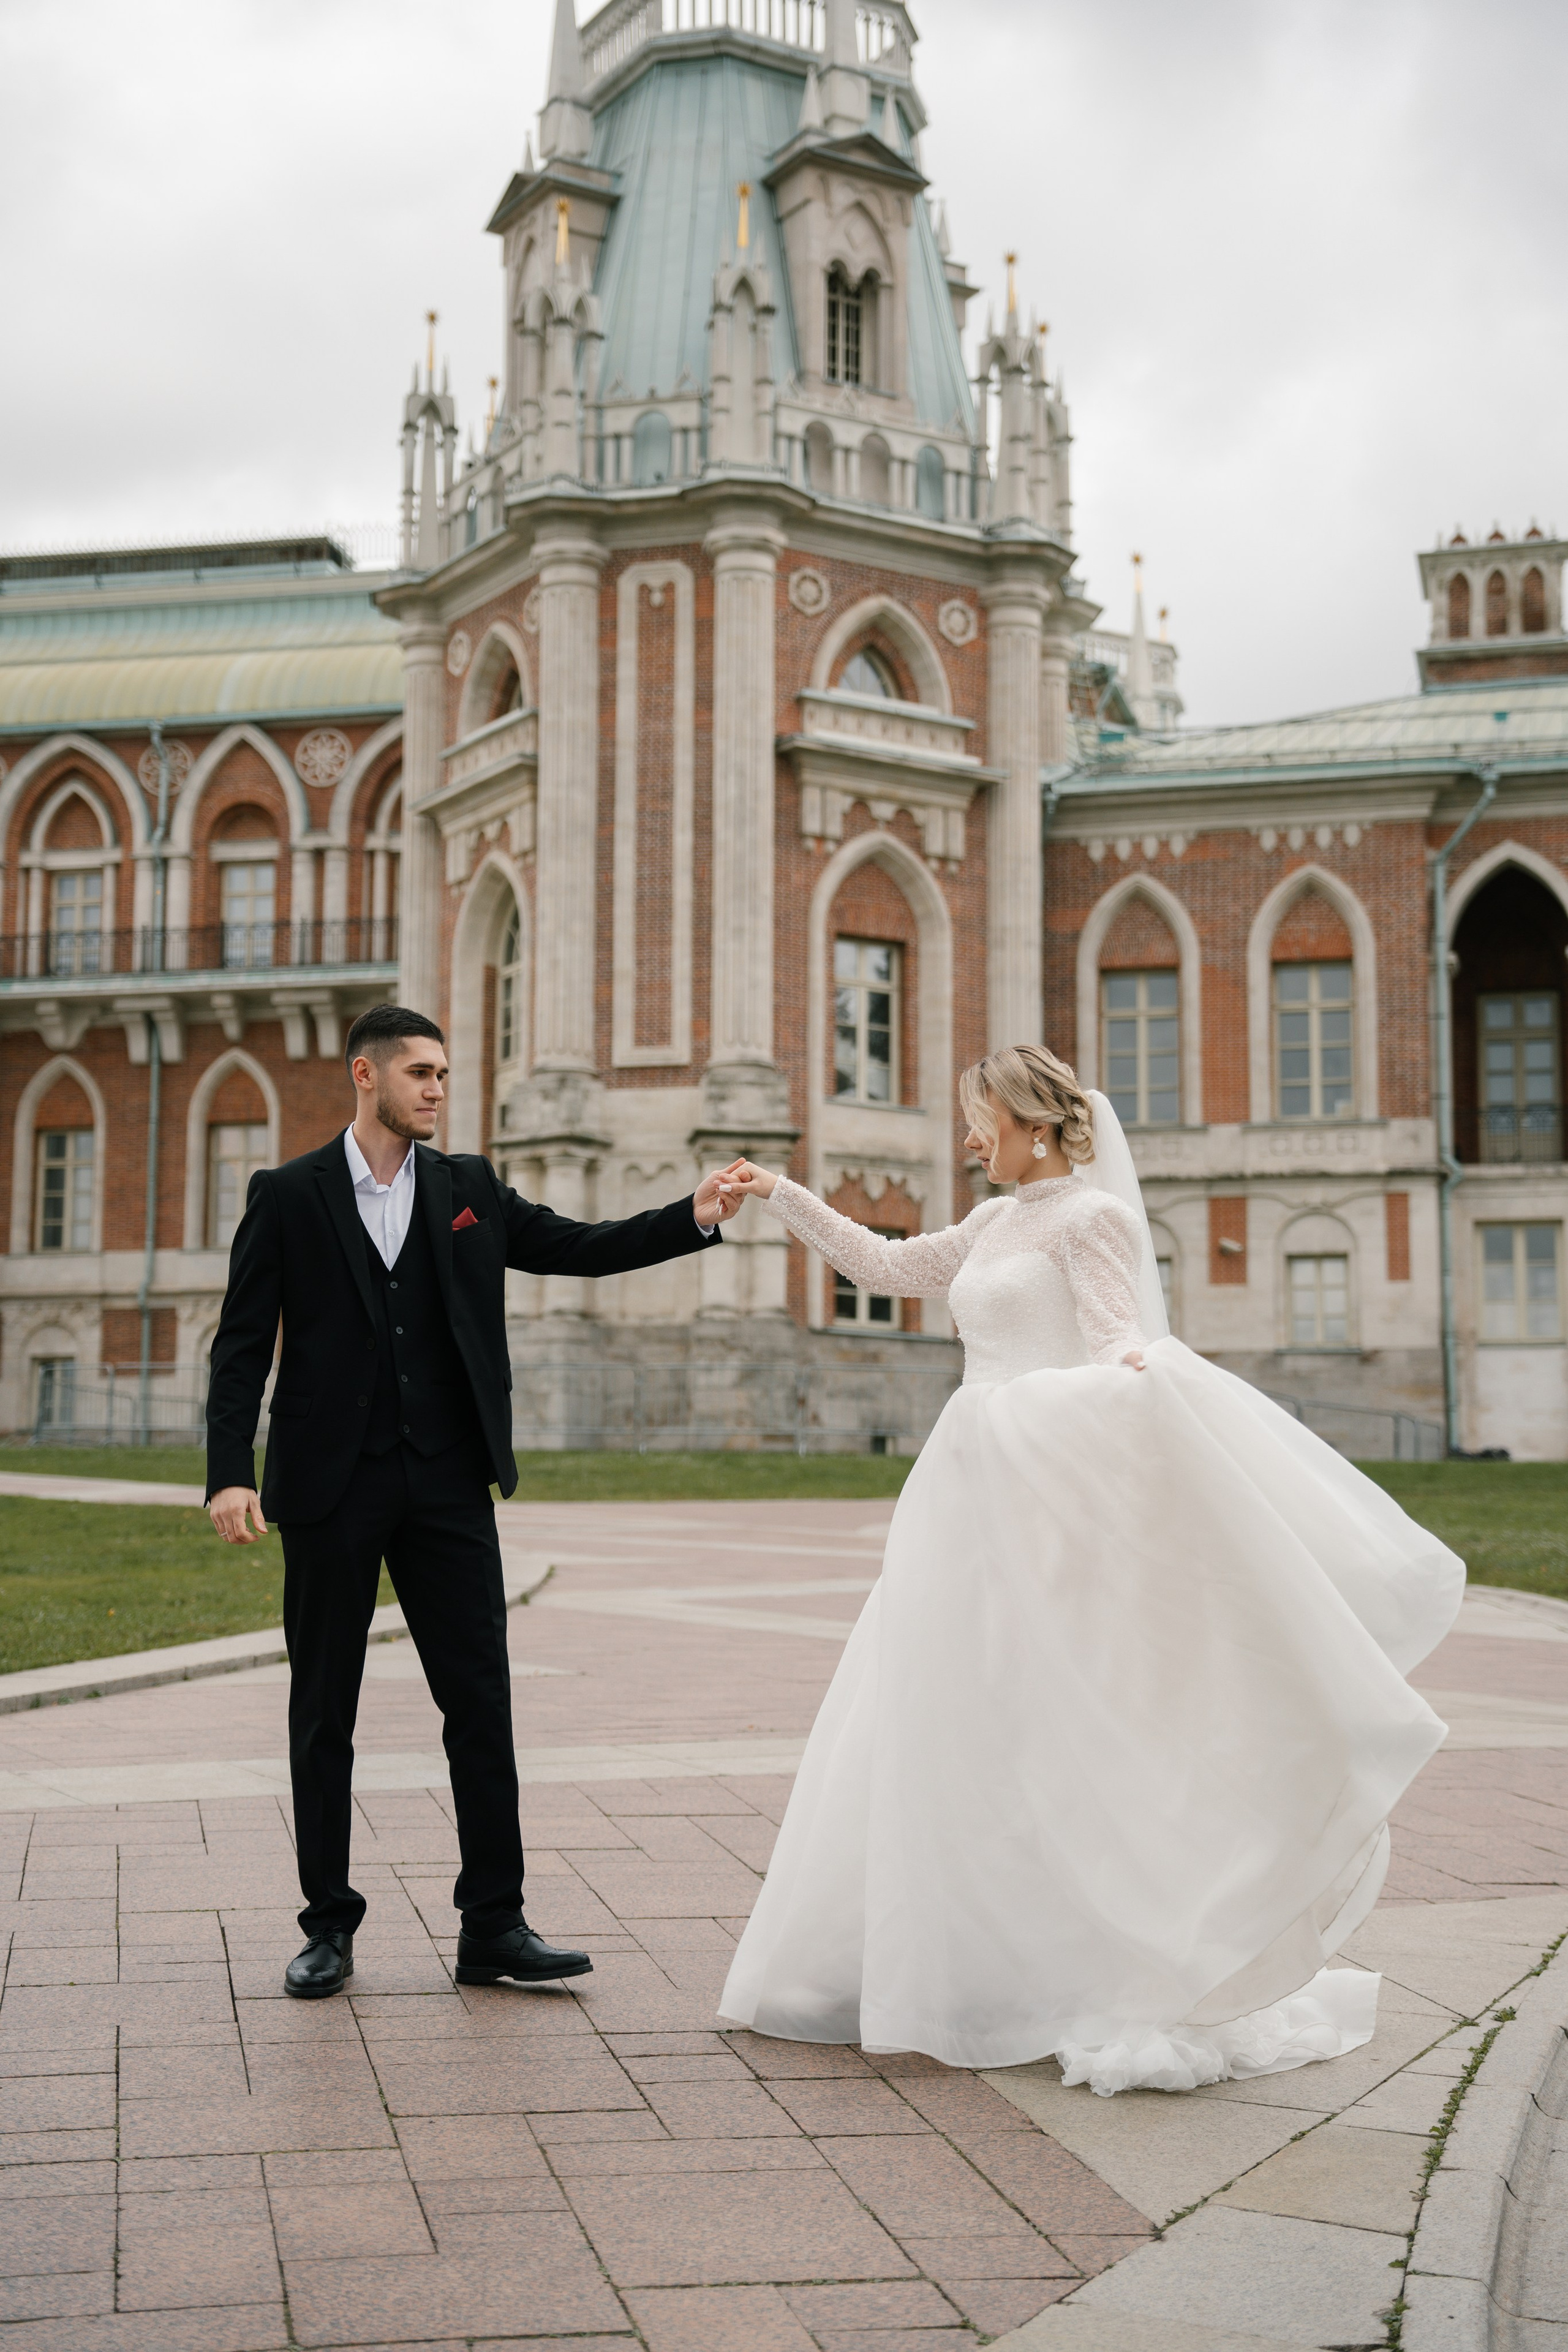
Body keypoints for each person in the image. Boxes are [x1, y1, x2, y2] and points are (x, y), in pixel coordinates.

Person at [712, 1046, 1464, 2095]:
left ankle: (1102, 1960)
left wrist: (1142, 1396)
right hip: (964, 1498)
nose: (970, 1139)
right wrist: (781, 1193)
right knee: (958, 1717)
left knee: (1059, 1717)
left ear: (1034, 1123)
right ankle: (975, 1958)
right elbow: (888, 1267)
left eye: (982, 1120)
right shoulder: (990, 1224)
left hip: (1043, 1496)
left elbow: (1118, 1345)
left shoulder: (1090, 1219)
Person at [206, 1003, 741, 1999]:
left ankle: (494, 1924)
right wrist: (229, 1468)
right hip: (330, 1484)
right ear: (366, 1077)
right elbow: (241, 1346)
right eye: (420, 1073)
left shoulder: (469, 1189)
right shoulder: (287, 1195)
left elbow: (579, 1245)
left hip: (448, 1481)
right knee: (325, 1709)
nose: (439, 1089)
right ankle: (327, 1926)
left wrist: (694, 1213)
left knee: (481, 1705)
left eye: (444, 1073)